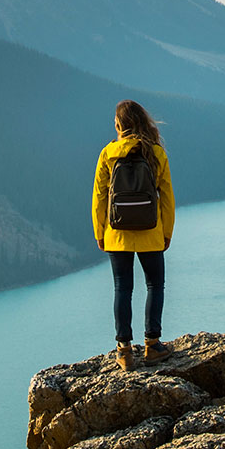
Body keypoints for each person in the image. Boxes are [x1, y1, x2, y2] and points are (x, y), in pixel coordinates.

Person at [91, 99, 175, 371]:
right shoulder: (156, 153)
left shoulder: (108, 153)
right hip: (151, 232)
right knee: (155, 285)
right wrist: (167, 232)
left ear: (118, 125)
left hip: (117, 233)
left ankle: (124, 352)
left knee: (122, 288)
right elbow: (167, 198)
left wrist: (99, 231)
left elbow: (100, 196)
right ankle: (152, 345)